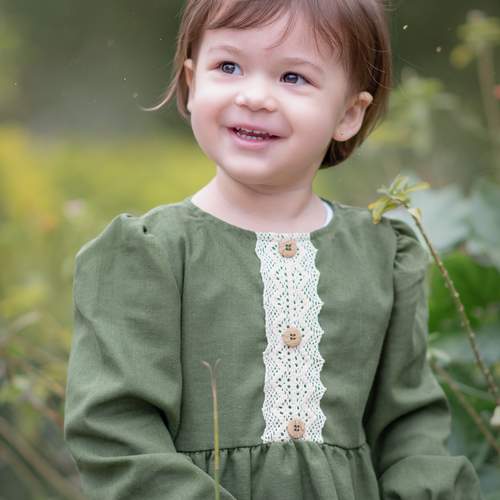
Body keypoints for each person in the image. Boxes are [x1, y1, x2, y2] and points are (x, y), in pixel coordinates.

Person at [63, 0, 484, 499]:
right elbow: (115, 431)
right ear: (192, 83)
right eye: (229, 67)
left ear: (348, 113)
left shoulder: (382, 255)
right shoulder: (148, 255)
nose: (255, 96)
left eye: (292, 77)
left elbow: (411, 429)